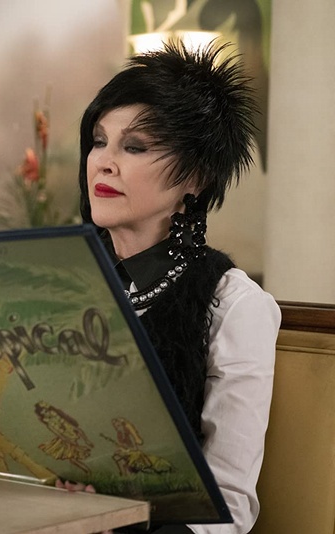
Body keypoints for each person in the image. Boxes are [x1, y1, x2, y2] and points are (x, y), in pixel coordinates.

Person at [63, 41, 281, 534]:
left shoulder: (233, 305)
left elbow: (229, 505)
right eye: (98, 141)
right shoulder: (65, 282)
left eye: (135, 147)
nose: (103, 162)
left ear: (196, 177)